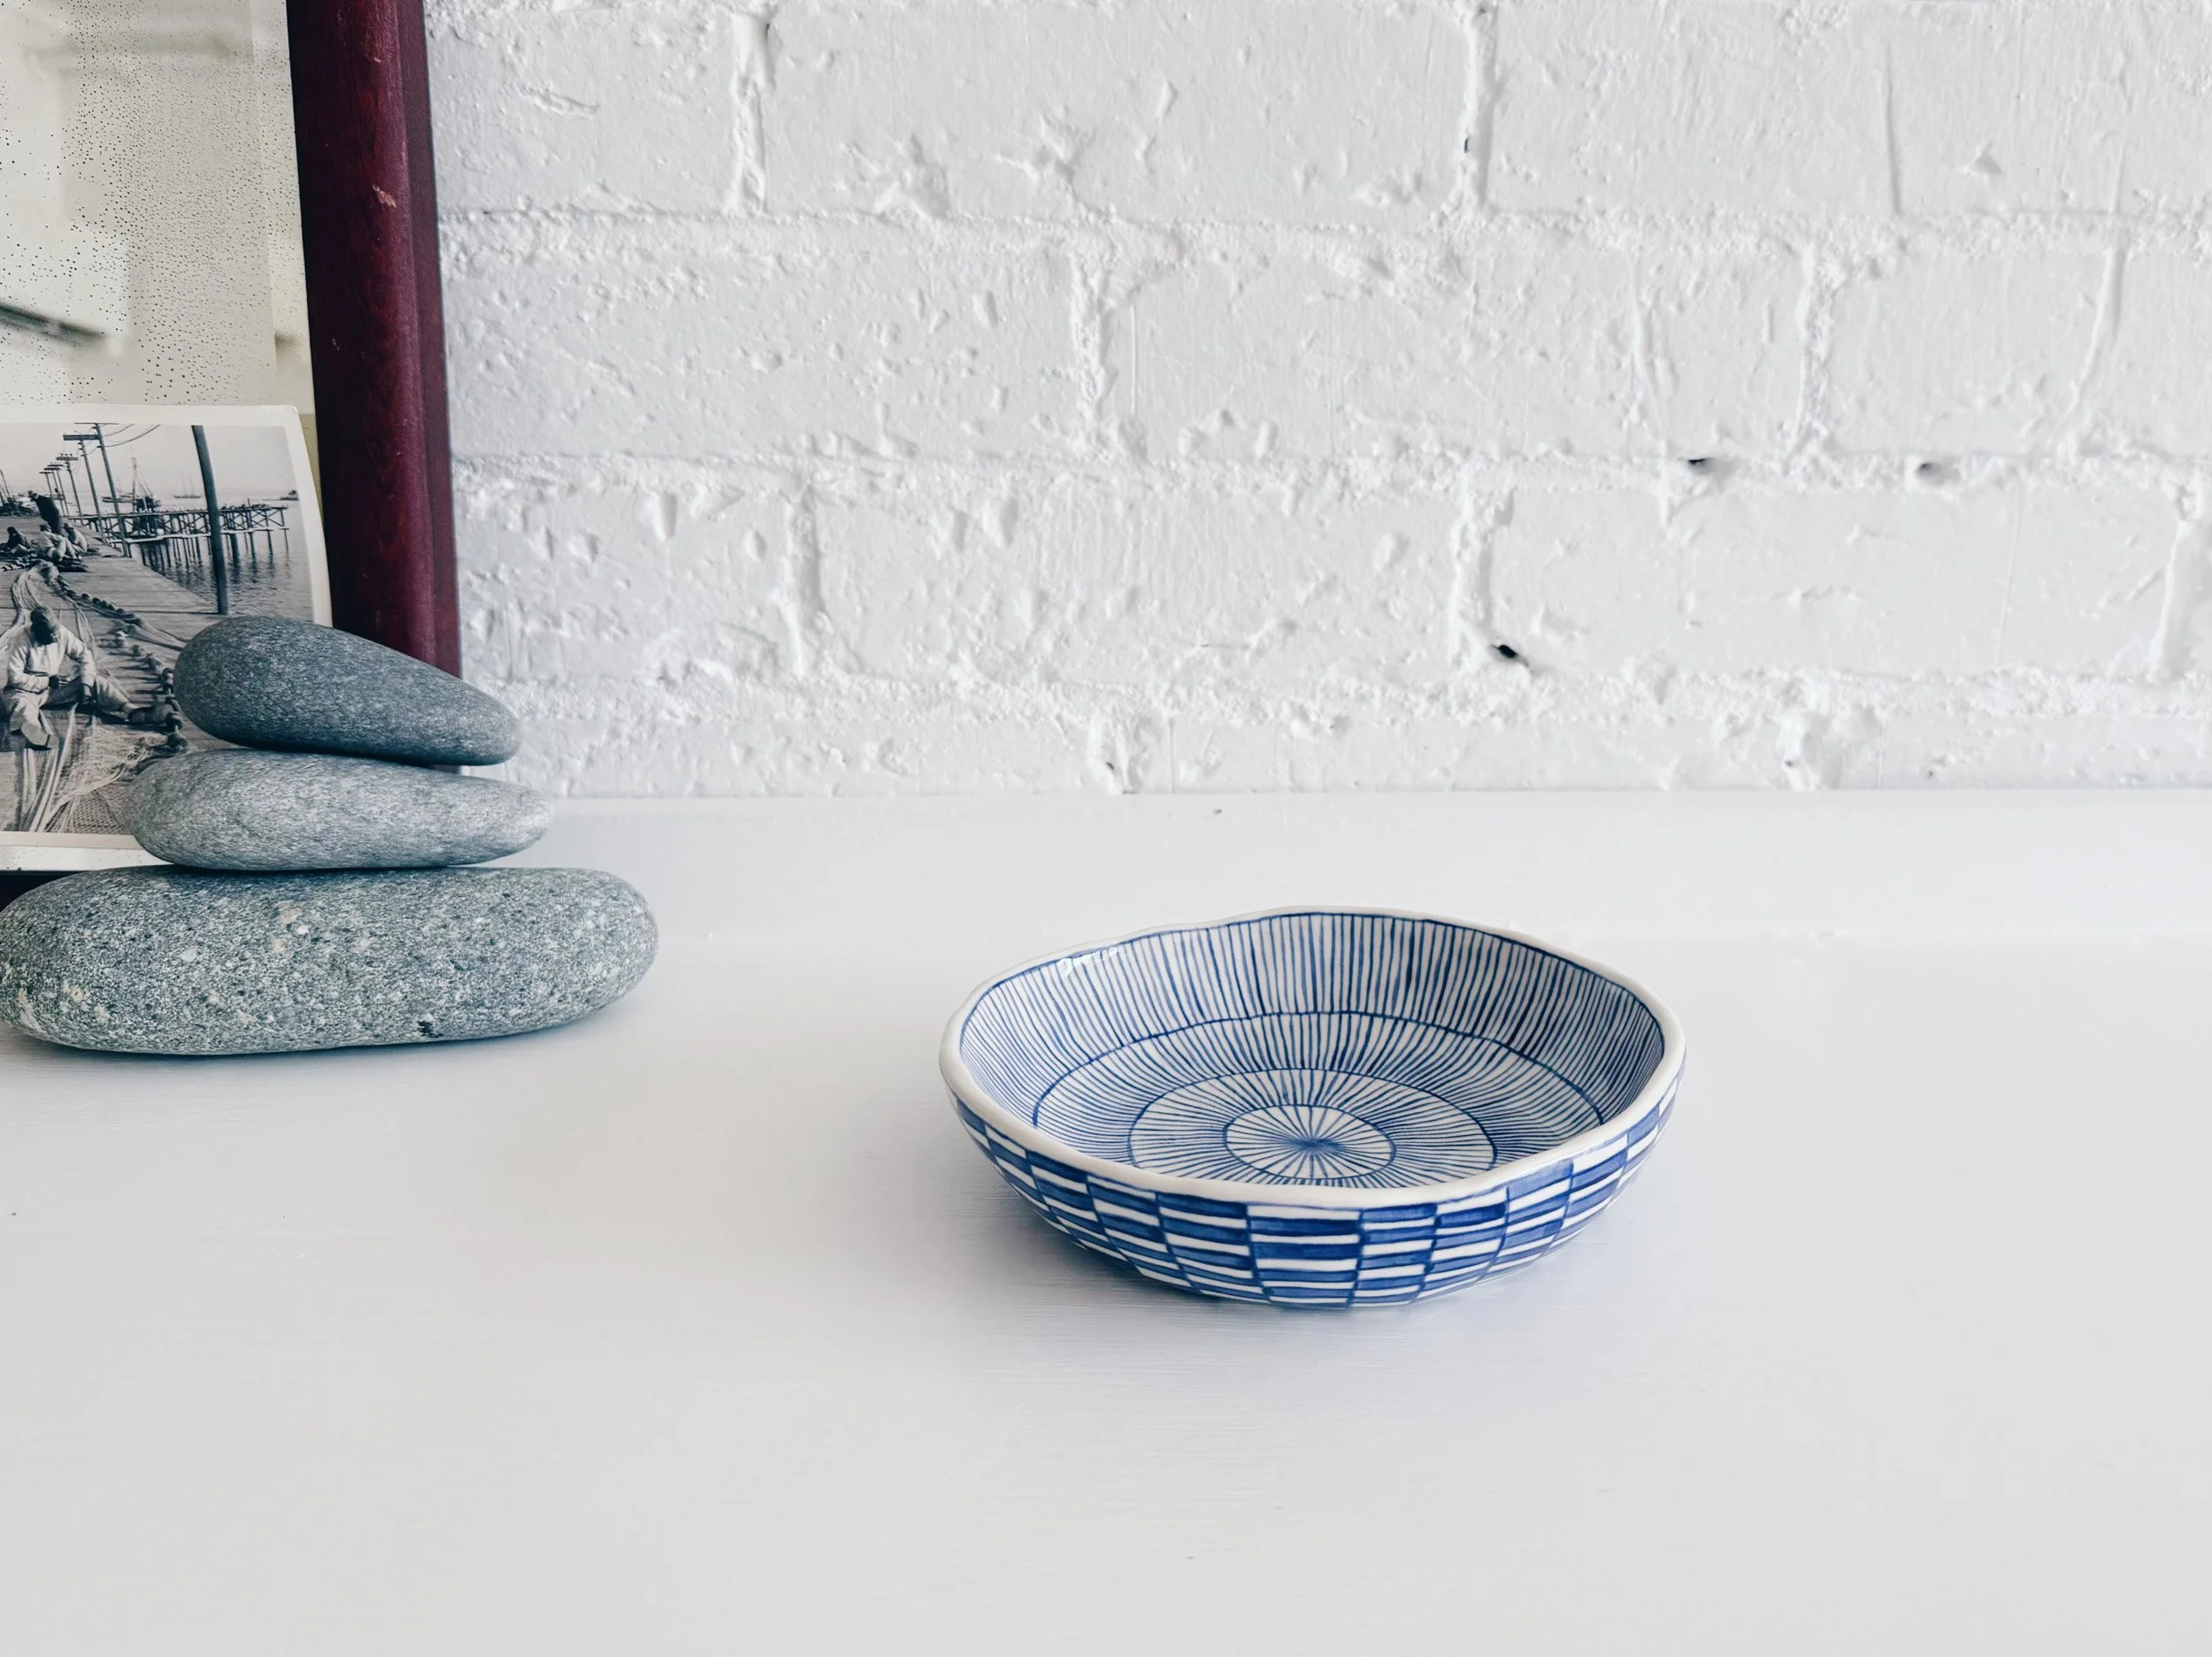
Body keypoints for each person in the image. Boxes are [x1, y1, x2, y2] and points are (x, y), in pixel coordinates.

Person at [1, 607, 140, 750]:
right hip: (23, 691)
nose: (55, 638)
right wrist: (46, 681)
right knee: (21, 705)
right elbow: (14, 677)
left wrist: (86, 683)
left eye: (56, 633)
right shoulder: (20, 640)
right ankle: (33, 734)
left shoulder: (61, 632)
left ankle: (131, 711)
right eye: (50, 634)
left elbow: (85, 655)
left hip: (53, 690)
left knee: (97, 682)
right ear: (37, 630)